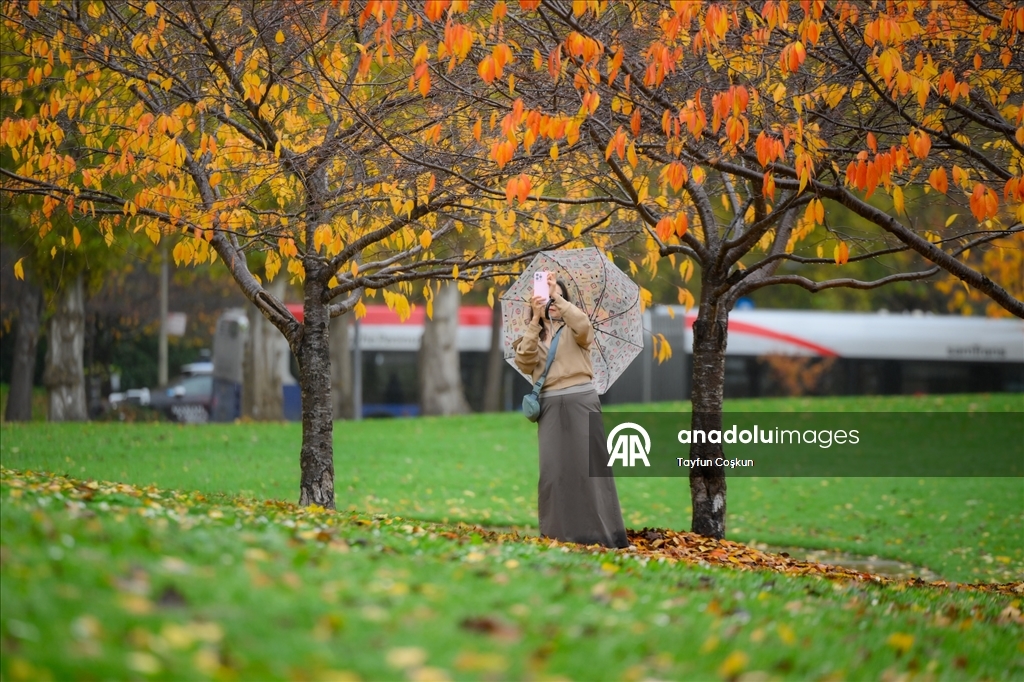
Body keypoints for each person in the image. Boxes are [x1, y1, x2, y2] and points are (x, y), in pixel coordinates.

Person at [513, 271, 629, 549]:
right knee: (554, 471)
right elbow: (524, 362)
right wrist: (535, 321)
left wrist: (556, 297)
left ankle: (605, 535)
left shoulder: (575, 329)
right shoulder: (532, 334)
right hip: (550, 405)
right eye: (545, 297)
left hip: (581, 400)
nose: (551, 302)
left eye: (557, 296)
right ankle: (557, 535)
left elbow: (584, 326)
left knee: (591, 469)